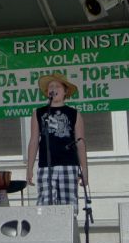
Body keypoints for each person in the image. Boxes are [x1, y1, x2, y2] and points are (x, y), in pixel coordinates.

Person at [26, 73, 88, 211]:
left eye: (57, 86)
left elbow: (80, 142)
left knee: (68, 207)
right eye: (51, 86)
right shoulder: (38, 113)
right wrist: (29, 168)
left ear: (65, 91)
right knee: (45, 207)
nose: (53, 88)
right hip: (45, 166)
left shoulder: (74, 113)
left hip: (69, 164)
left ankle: (69, 225)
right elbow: (34, 141)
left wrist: (84, 170)